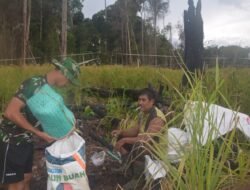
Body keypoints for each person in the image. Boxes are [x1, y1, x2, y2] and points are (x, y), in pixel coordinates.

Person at [0, 57, 80, 190]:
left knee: (26, 178)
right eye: (69, 80)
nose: (68, 84)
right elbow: (10, 112)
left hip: (26, 139)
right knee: (16, 184)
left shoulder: (48, 90)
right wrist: (38, 133)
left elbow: (44, 118)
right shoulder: (33, 84)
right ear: (63, 73)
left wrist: (65, 130)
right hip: (12, 139)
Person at [112, 88, 167, 157]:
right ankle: (126, 159)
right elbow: (135, 130)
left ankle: (132, 162)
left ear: (152, 101)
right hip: (144, 144)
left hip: (155, 151)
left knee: (135, 146)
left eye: (143, 100)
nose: (140, 103)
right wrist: (121, 132)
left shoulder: (157, 118)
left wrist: (125, 140)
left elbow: (145, 139)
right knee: (121, 137)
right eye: (139, 100)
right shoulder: (143, 113)